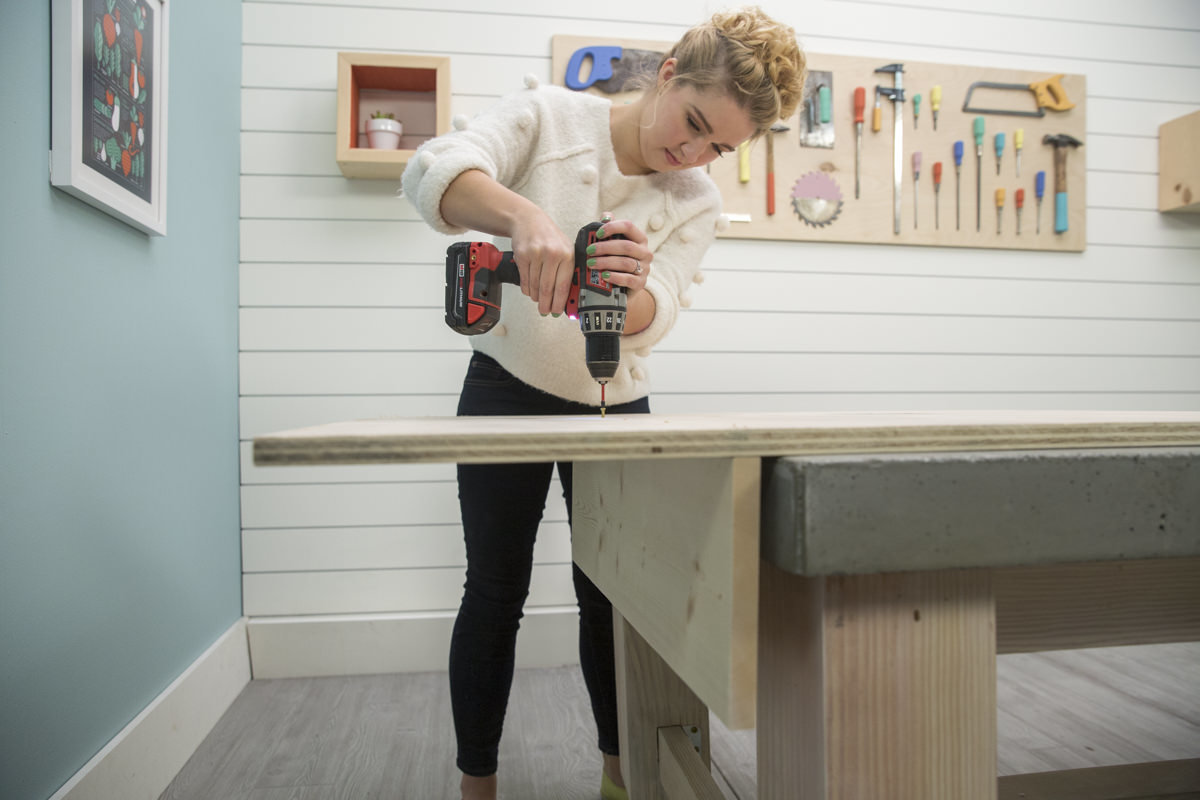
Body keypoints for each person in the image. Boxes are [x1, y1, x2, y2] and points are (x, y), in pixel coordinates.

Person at [400, 7, 805, 799]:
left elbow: (662, 308)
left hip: (613, 405)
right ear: (667, 74)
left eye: (718, 146)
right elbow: (433, 171)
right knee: (494, 590)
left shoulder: (694, 197)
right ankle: (475, 786)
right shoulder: (549, 115)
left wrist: (629, 289)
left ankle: (622, 780)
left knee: (613, 600)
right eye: (691, 123)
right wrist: (527, 219)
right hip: (502, 387)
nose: (692, 153)